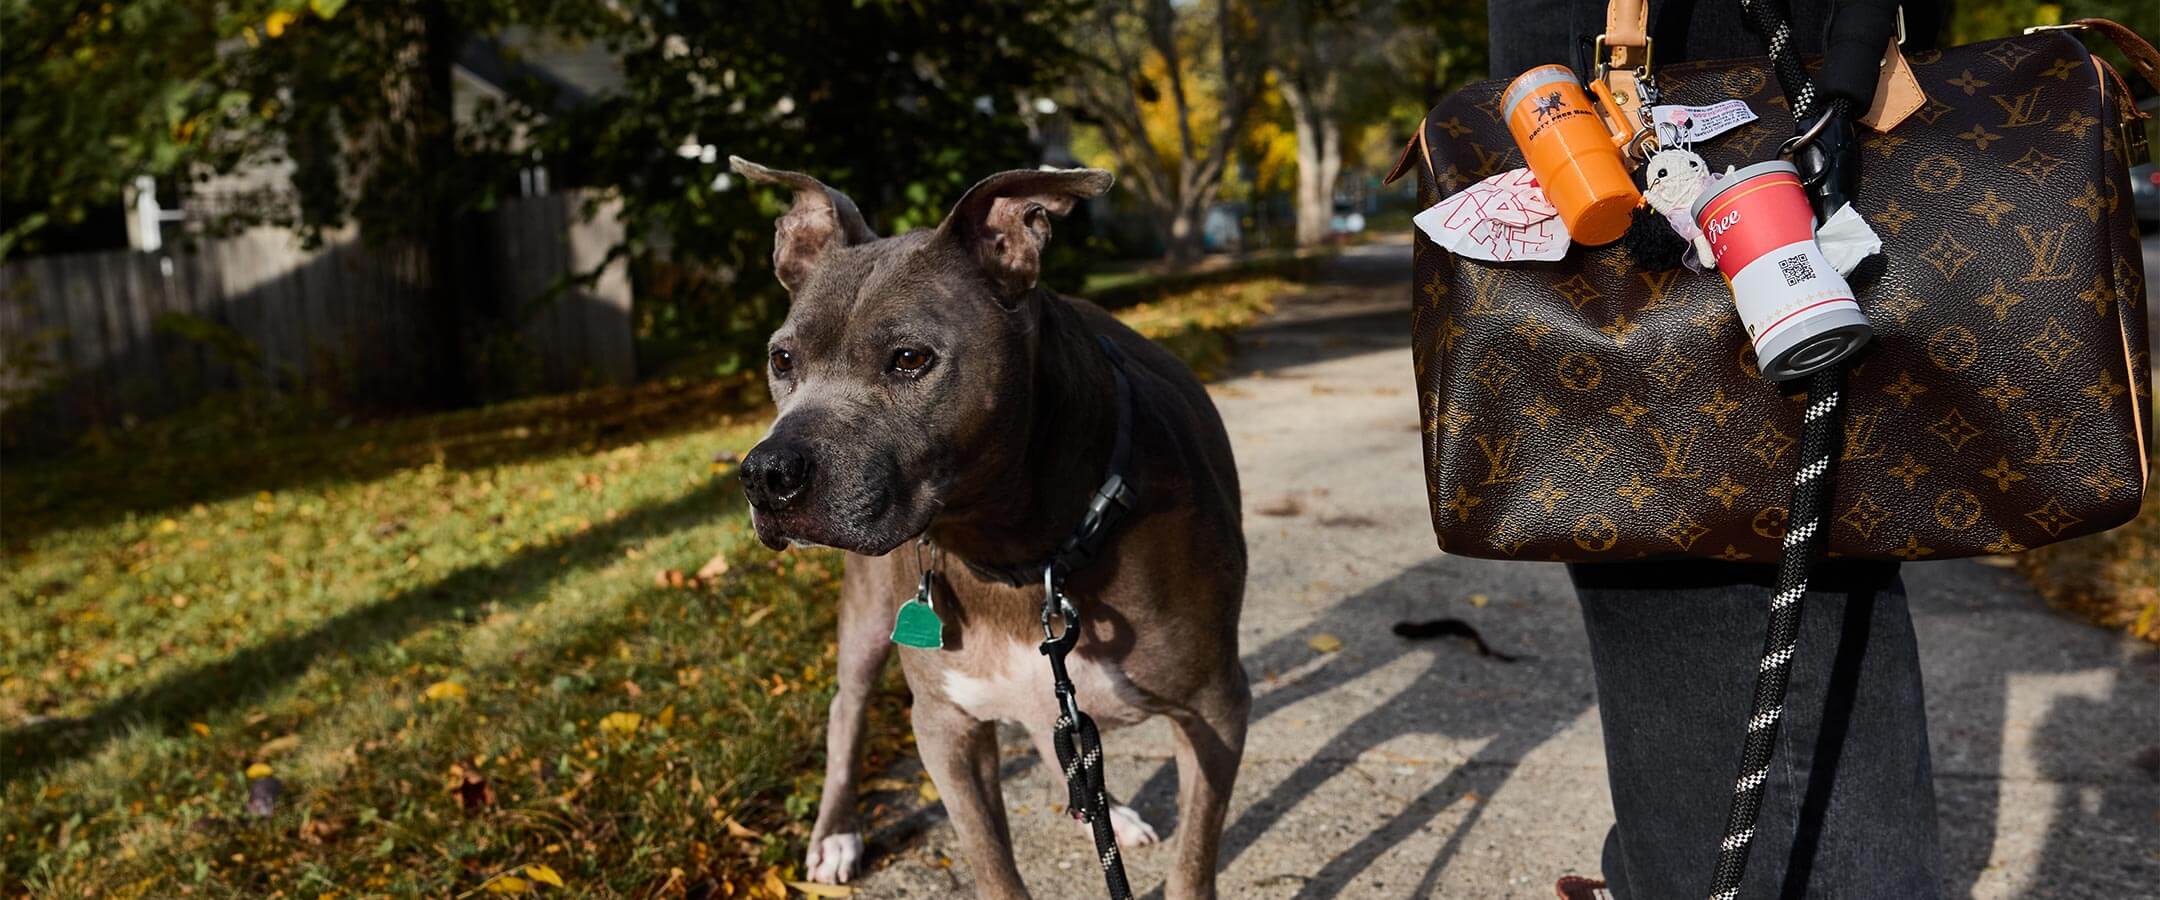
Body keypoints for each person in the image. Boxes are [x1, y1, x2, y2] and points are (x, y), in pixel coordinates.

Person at [1482, 2, 1952, 898]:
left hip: (1692, 71)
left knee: (1673, 528)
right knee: (1763, 539)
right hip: (1744, 79)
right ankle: (1671, 862)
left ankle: (1700, 869)